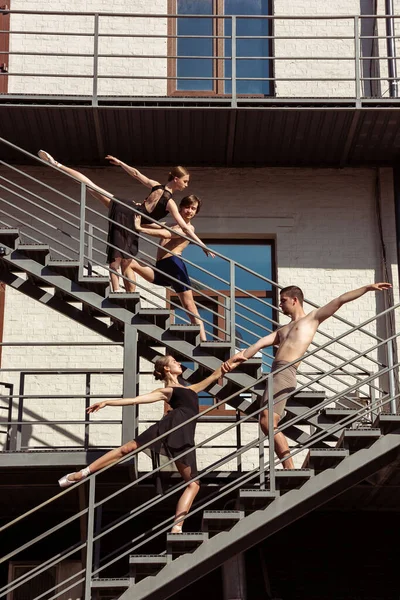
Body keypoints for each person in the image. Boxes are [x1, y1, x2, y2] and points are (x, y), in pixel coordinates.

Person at [58, 352, 247, 533]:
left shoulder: (190, 389)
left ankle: (177, 527)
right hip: (169, 426)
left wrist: (235, 359)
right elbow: (135, 400)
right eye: (174, 362)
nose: (179, 364)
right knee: (128, 448)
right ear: (166, 369)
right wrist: (108, 402)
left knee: (194, 483)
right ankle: (81, 474)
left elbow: (217, 374)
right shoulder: (166, 391)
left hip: (185, 437)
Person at [226, 283, 392, 470]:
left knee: (267, 420)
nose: (280, 305)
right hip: (275, 373)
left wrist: (367, 288)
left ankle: (289, 467)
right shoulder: (283, 329)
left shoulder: (311, 319)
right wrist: (236, 359)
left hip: (286, 372)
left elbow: (339, 300)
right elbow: (259, 344)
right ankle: (288, 465)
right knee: (265, 421)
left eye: (283, 301)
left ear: (295, 300)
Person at [37, 150, 211, 293]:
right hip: (131, 219)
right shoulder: (170, 203)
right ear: (176, 179)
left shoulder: (156, 186)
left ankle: (58, 165)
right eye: (185, 181)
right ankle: (126, 294)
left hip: (127, 208)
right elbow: (185, 228)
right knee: (125, 259)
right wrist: (203, 246)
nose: (186, 185)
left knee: (92, 187)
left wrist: (121, 163)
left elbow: (136, 174)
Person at [133, 195, 208, 342]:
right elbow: (150, 224)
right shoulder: (170, 223)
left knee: (189, 305)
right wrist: (138, 210)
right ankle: (129, 296)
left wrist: (139, 228)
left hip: (175, 265)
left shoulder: (189, 228)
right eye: (188, 207)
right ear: (180, 208)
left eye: (194, 209)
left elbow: (165, 234)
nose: (190, 211)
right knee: (132, 262)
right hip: (162, 265)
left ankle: (204, 340)